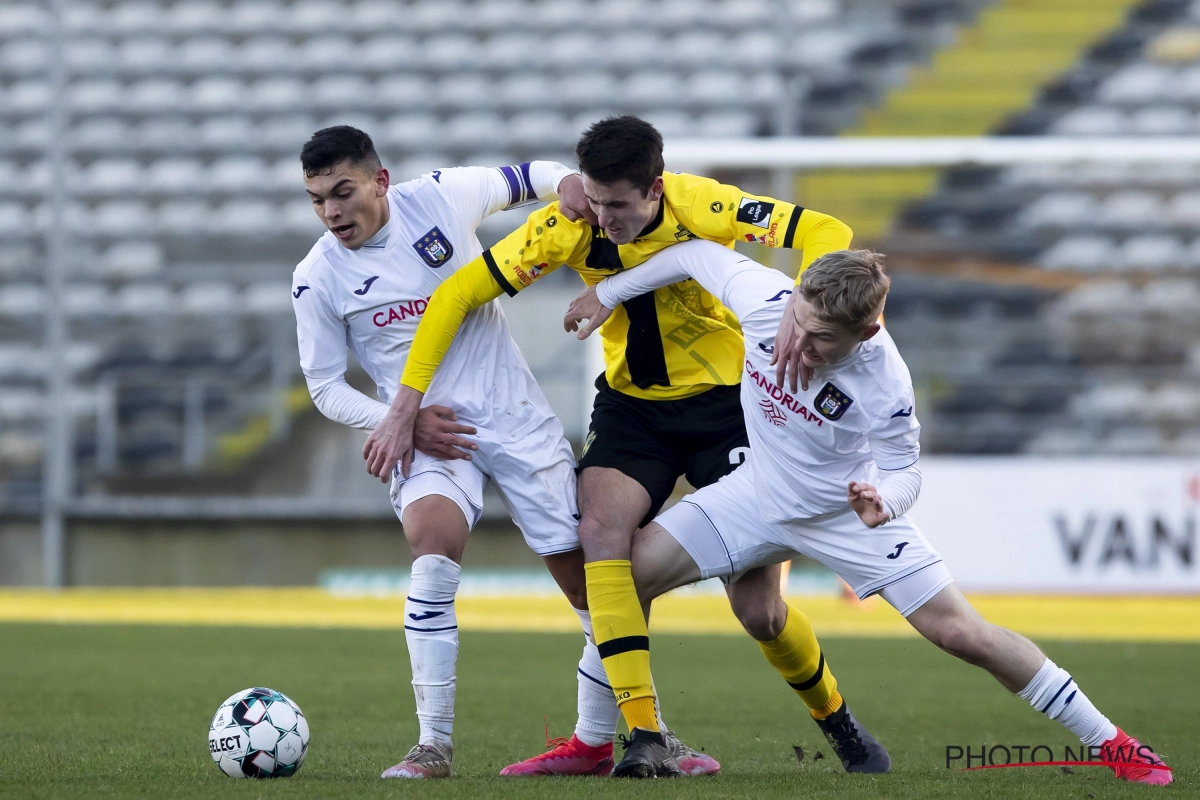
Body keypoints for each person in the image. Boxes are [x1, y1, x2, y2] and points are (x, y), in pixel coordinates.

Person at [363, 115, 889, 778]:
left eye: (619, 205)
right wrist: (404, 403)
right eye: (595, 198)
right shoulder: (568, 224)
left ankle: (836, 721)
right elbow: (455, 296)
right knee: (599, 534)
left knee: (758, 611)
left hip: (732, 409)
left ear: (656, 190)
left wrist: (796, 306)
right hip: (633, 411)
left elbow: (827, 233)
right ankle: (644, 735)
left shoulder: (702, 205)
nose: (603, 218)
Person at [569, 239, 1172, 786]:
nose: (798, 347)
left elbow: (906, 470)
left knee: (963, 633)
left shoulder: (884, 382)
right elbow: (691, 254)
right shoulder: (766, 299)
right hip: (753, 494)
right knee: (616, 585)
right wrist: (606, 292)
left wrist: (884, 502)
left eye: (820, 339)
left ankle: (1117, 746)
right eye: (797, 323)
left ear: (865, 332)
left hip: (840, 513)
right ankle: (620, 740)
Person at [291, 125, 664, 779]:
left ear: (379, 181)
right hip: (427, 437)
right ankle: (432, 744)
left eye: (342, 192)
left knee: (590, 586)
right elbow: (323, 386)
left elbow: (536, 177)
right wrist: (396, 422)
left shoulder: (440, 197)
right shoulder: (316, 276)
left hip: (514, 417)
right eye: (317, 199)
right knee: (432, 547)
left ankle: (627, 734)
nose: (331, 212)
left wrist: (572, 187)